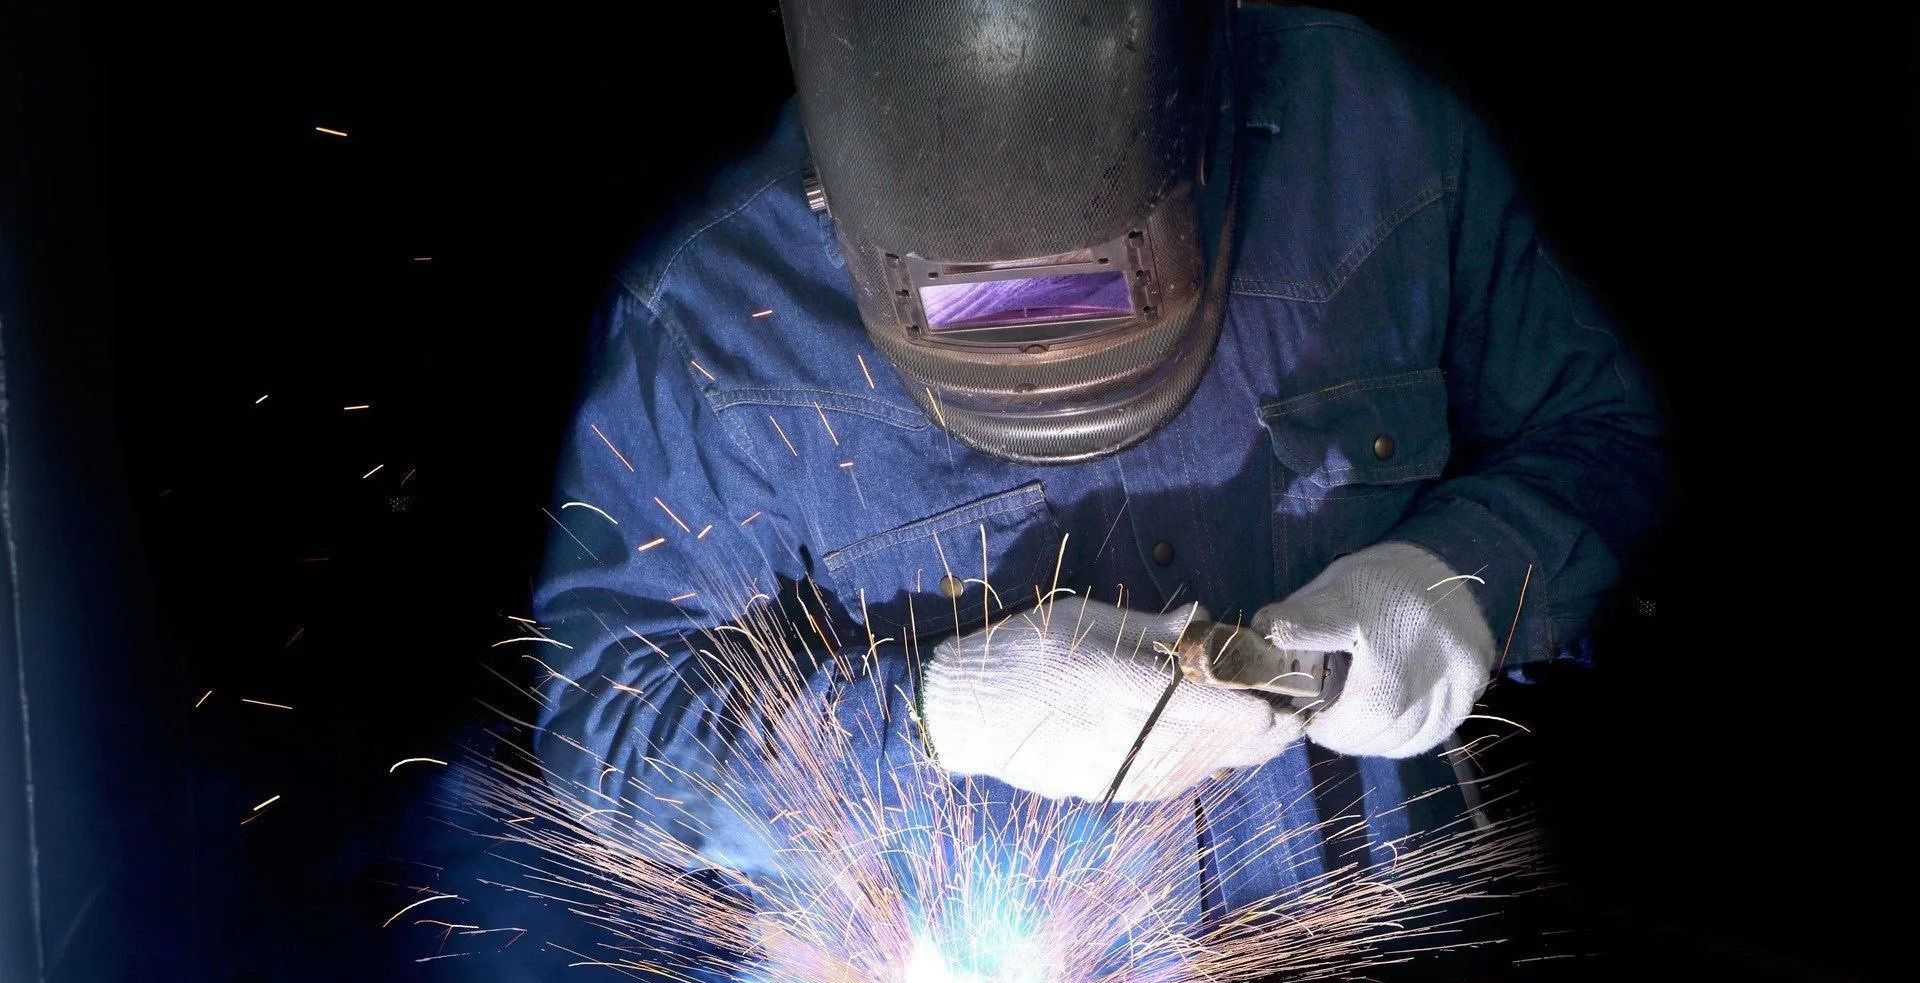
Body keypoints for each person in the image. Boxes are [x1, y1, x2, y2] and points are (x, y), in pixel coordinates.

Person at [531, 0, 1661, 919]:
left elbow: (1606, 439)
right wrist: (936, 716)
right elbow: (609, 722)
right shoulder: (719, 316)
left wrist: (1463, 582)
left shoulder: (1374, 139)